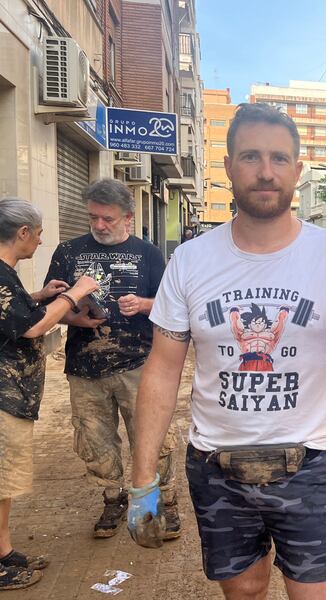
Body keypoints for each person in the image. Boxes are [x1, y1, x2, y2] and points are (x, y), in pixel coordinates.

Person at [127, 103, 326, 600]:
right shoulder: (190, 261)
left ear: (298, 170)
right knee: (245, 590)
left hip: (312, 464)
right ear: (228, 166)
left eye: (279, 158)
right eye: (251, 156)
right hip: (217, 467)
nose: (266, 171)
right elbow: (162, 372)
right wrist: (142, 477)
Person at [43, 178, 181, 539]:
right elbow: (51, 307)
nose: (99, 225)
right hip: (84, 367)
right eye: (93, 218)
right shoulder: (68, 252)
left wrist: (143, 304)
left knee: (152, 436)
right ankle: (112, 497)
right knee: (94, 439)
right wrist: (76, 316)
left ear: (128, 218)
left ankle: (165, 500)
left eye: (108, 218)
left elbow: (171, 304)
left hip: (140, 364)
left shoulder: (148, 253)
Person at [0, 198, 99, 590]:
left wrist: (39, 296)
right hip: (4, 397)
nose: (41, 242)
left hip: (14, 396)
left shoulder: (9, 277)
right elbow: (32, 329)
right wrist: (74, 294)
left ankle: (4, 551)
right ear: (22, 233)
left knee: (4, 483)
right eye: (38, 234)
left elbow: (16, 315)